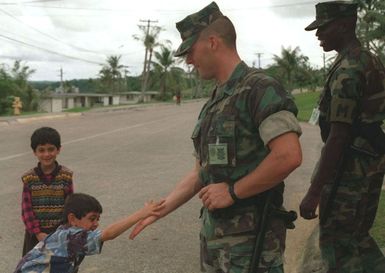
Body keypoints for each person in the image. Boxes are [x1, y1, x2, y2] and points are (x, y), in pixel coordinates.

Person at [130, 2, 302, 273]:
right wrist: (162, 208)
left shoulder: (260, 89)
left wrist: (233, 192)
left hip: (252, 248)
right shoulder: (215, 100)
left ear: (212, 42)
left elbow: (288, 155)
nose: (187, 60)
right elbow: (202, 172)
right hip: (216, 244)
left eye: (190, 51)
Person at [300, 1, 385, 272]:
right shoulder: (367, 58)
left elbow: (338, 137)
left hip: (350, 169)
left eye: (324, 27)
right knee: (357, 238)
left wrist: (314, 192)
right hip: (368, 161)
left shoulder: (349, 69)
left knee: (336, 241)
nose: (318, 34)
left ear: (345, 25)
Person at [14, 193, 165, 273]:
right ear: (72, 219)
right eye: (92, 219)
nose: (96, 224)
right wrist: (141, 214)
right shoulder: (70, 236)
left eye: (97, 219)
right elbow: (108, 234)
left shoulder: (68, 234)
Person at [21, 126, 74, 256]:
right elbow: (26, 210)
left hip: (60, 233)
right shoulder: (29, 178)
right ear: (35, 152)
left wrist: (63, 231)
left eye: (51, 149)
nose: (46, 154)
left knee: (59, 265)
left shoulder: (66, 176)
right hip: (35, 235)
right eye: (41, 150)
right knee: (33, 266)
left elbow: (70, 206)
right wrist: (38, 232)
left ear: (58, 149)